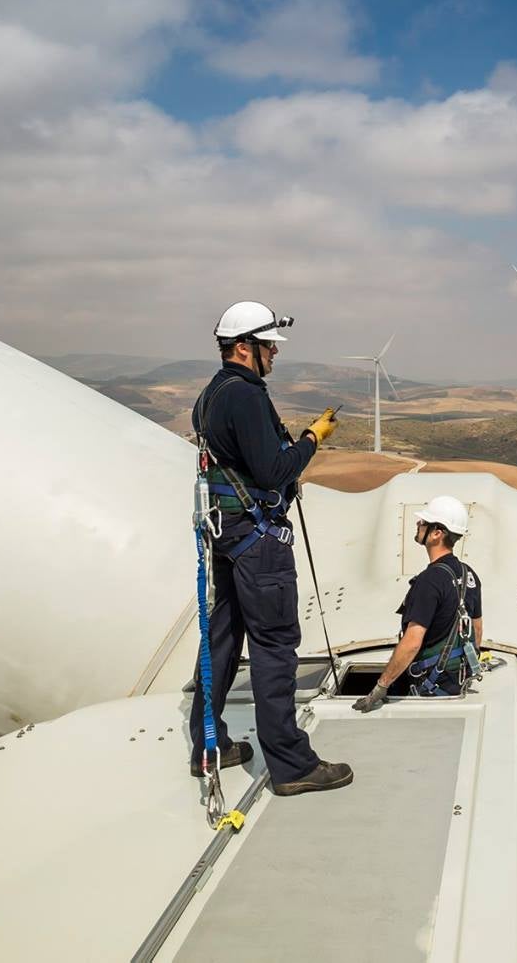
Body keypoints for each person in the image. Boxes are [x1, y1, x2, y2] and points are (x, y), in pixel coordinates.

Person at [189, 300, 352, 797]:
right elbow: (275, 472)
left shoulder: (211, 395)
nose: (273, 357)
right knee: (274, 647)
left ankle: (207, 746)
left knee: (221, 640)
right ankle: (290, 763)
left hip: (227, 536)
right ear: (244, 347)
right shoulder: (245, 396)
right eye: (268, 347)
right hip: (259, 542)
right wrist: (311, 439)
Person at [352, 495, 484, 711]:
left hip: (430, 685)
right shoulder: (469, 574)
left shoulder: (429, 581)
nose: (418, 524)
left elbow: (413, 641)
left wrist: (380, 687)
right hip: (456, 682)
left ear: (437, 533)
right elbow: (476, 630)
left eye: (423, 522)